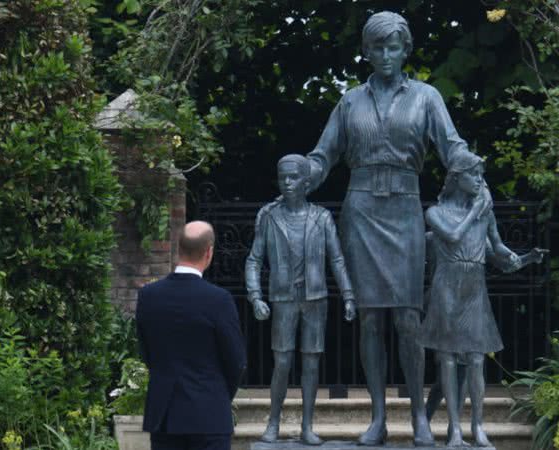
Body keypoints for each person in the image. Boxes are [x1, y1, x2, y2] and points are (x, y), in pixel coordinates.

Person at [305, 11, 482, 446]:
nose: (386, 55)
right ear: (366, 51)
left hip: (404, 209)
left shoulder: (426, 97)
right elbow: (323, 156)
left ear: (406, 50)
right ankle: (378, 417)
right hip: (361, 210)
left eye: (394, 47)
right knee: (369, 319)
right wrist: (297, 178)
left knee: (407, 316)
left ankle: (420, 416)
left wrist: (475, 177)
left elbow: (451, 146)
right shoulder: (349, 102)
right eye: (378, 47)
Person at [244, 154, 357, 445]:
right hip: (283, 299)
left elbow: (337, 259)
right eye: (283, 177)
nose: (287, 183)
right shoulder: (269, 216)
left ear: (307, 183)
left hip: (315, 298)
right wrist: (255, 297)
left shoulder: (321, 217)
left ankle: (308, 425)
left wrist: (348, 295)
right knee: (281, 363)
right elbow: (254, 260)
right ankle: (273, 422)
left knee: (311, 364)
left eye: (293, 177)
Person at [418, 152, 523, 447]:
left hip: (474, 285)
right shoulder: (435, 212)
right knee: (448, 359)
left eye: (481, 175)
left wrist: (517, 256)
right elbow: (452, 236)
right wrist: (475, 211)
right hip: (447, 285)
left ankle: (478, 425)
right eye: (473, 175)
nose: (479, 180)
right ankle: (454, 429)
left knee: (476, 358)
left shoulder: (484, 213)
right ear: (456, 178)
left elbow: (498, 247)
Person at [136, 221, 247, 450]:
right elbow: (236, 361)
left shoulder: (148, 296)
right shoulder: (219, 300)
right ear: (209, 252)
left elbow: (146, 352)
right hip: (209, 414)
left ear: (178, 249)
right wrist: (217, 393)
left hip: (164, 415)